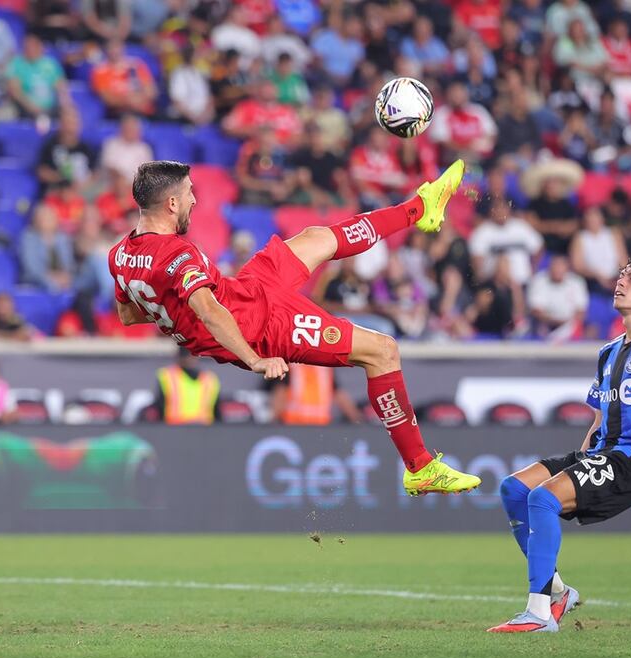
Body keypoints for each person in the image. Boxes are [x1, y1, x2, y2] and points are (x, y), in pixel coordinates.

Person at [109, 160, 480, 495]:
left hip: (245, 290)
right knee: (383, 351)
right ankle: (420, 467)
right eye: (189, 193)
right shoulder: (177, 253)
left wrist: (174, 316)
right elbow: (208, 310)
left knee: (317, 237)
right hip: (262, 326)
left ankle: (420, 208)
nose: (194, 201)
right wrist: (255, 359)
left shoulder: (121, 255)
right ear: (171, 203)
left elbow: (129, 315)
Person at [488, 258, 631, 632]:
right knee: (514, 488)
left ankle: (539, 613)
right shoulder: (609, 352)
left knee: (542, 498)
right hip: (602, 454)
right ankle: (557, 591)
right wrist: (582, 458)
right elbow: (601, 417)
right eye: (621, 275)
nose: (621, 281)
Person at [270, 363, 362, 425]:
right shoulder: (324, 366)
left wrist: (356, 418)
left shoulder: (292, 365)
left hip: (313, 423)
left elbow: (338, 393)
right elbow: (281, 393)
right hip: (298, 422)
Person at [153, 349, 221, 424]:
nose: (188, 359)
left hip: (203, 429)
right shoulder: (167, 375)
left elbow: (217, 409)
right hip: (175, 428)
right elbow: (160, 405)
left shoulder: (210, 379)